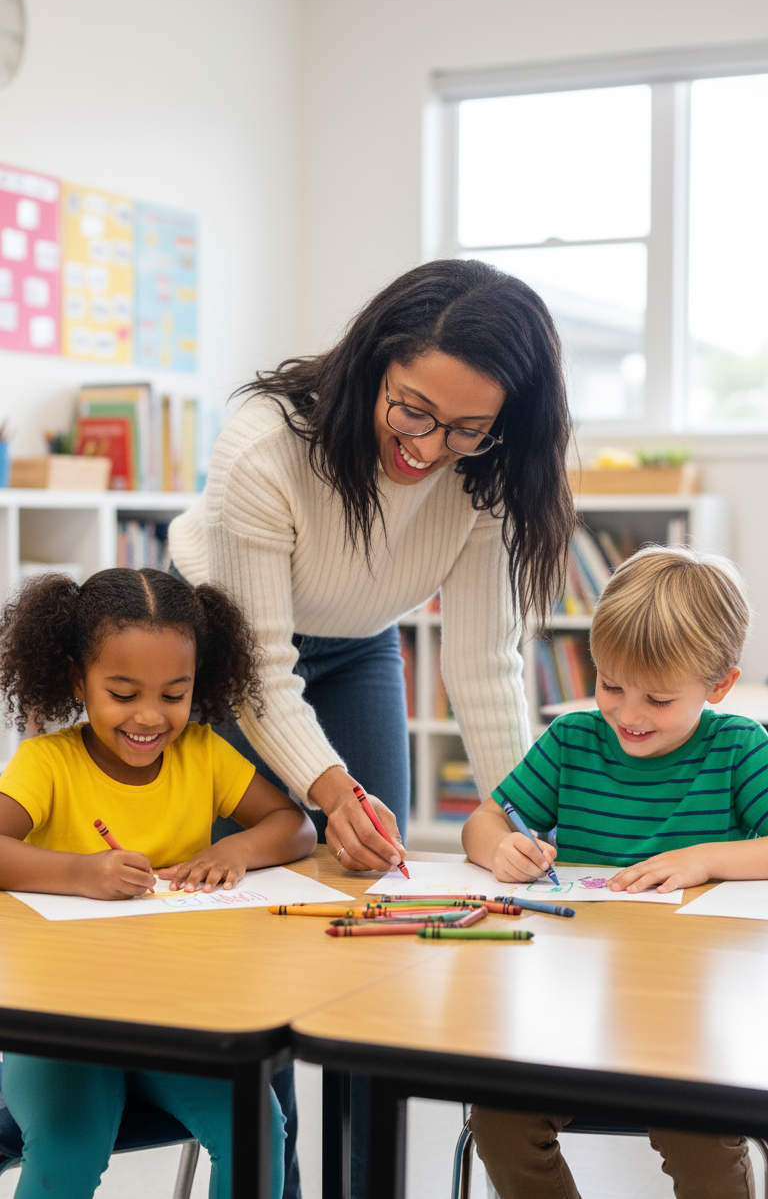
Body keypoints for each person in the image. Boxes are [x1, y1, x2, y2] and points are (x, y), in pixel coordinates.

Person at [167, 257, 575, 1197]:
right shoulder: (266, 446)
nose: (430, 450)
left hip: (356, 647)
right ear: (375, 365)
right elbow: (263, 671)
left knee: (369, 911)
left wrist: (525, 815)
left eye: (469, 427)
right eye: (414, 411)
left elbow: (483, 664)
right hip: (224, 649)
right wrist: (326, 788)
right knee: (263, 937)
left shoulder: (488, 471)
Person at [0, 567, 317, 1199]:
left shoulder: (203, 754)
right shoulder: (48, 763)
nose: (150, 717)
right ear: (75, 680)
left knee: (260, 1126)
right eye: (122, 693)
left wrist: (235, 849)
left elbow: (295, 826)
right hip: (66, 1028)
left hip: (175, 1023)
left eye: (173, 695)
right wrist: (79, 871)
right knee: (71, 1143)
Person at [463, 545, 765, 1199]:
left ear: (718, 687)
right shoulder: (573, 743)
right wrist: (501, 849)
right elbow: (483, 823)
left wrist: (705, 858)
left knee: (707, 1151)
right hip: (573, 1011)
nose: (628, 715)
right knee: (499, 1121)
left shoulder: (739, 748)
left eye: (657, 698)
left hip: (694, 1023)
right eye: (609, 685)